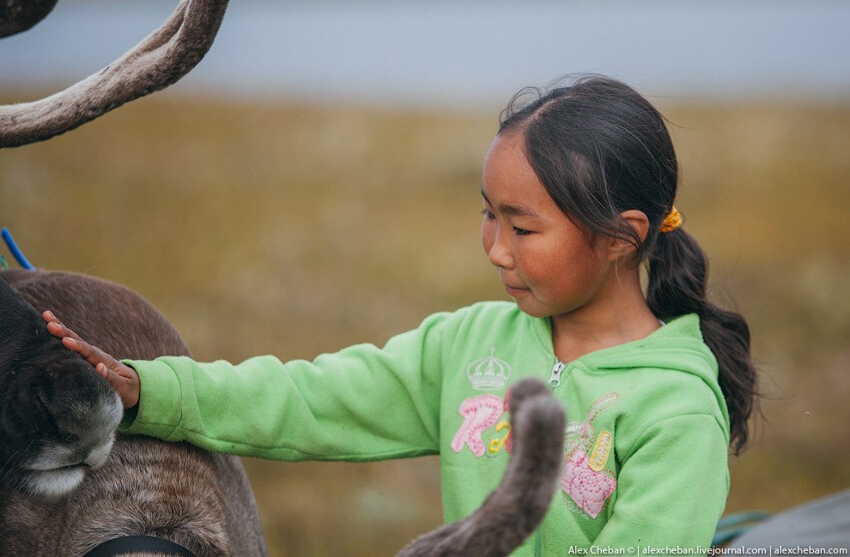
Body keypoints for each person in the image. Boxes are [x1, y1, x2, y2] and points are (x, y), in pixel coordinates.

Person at [44, 74, 757, 552]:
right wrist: (151, 389)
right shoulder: (469, 343)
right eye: (488, 216)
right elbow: (310, 399)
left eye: (523, 228)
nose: (495, 250)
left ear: (621, 237)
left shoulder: (677, 413)